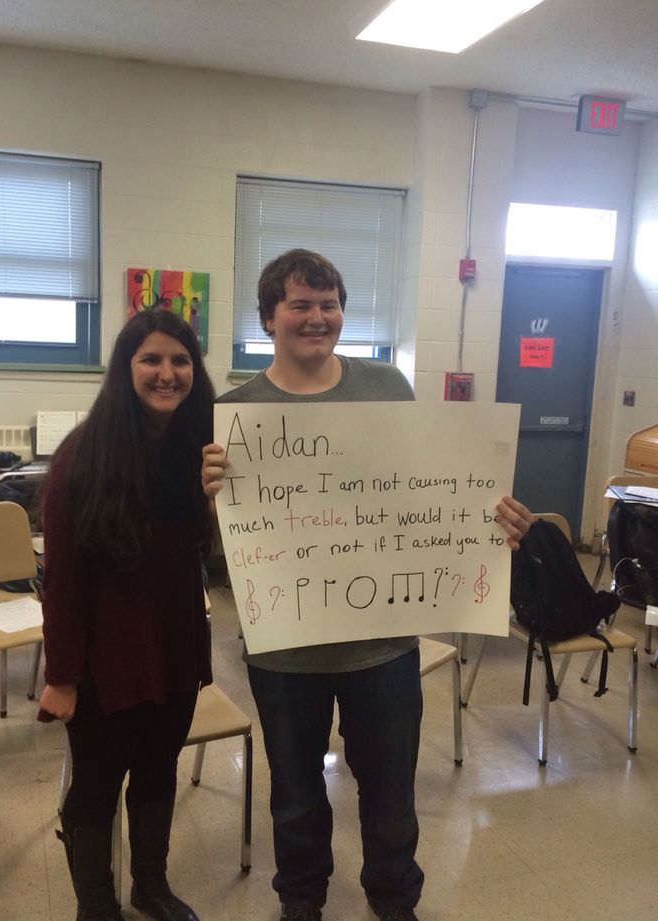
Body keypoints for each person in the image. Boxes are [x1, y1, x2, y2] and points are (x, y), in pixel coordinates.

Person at [201, 249, 533, 921]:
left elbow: (423, 492)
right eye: (299, 304)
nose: (316, 317)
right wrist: (212, 502)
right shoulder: (237, 414)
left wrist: (489, 522)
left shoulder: (387, 387)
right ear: (269, 318)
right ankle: (301, 900)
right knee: (295, 794)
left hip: (382, 644)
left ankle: (393, 899)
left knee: (389, 791)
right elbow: (222, 549)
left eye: (328, 304)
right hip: (283, 648)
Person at [39, 309, 215, 921]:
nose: (168, 373)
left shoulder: (201, 450)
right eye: (152, 360)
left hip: (174, 644)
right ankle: (97, 904)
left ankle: (151, 886)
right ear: (125, 368)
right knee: (95, 786)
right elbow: (60, 580)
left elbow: (210, 549)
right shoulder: (82, 458)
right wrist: (61, 676)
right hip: (105, 658)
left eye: (181, 360)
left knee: (158, 771)